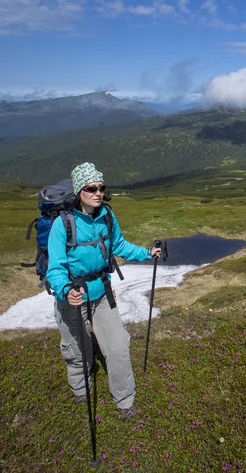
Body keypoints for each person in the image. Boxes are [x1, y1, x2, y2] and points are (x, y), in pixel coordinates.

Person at [46, 162, 161, 420]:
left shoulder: (106, 215)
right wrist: (65, 290)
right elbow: (56, 268)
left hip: (101, 295)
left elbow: (119, 244)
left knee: (118, 345)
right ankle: (80, 388)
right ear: (79, 191)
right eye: (91, 188)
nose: (98, 192)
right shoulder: (62, 225)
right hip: (72, 299)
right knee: (77, 349)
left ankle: (125, 400)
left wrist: (146, 253)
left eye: (101, 187)